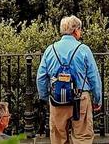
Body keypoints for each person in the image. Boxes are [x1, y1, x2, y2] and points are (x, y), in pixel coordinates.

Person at [38, 15, 103, 144]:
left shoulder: (50, 50)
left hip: (57, 98)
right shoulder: (84, 50)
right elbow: (94, 77)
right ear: (76, 30)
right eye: (80, 29)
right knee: (82, 137)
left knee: (58, 138)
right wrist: (97, 99)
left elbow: (41, 77)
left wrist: (45, 97)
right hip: (80, 98)